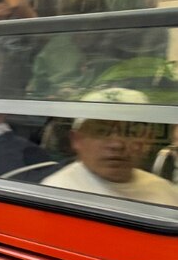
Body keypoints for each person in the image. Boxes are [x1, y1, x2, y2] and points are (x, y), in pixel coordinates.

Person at [42, 89, 178, 207]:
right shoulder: (55, 195)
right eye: (101, 131)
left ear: (148, 140)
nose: (117, 145)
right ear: (76, 140)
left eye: (130, 132)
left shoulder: (165, 191)